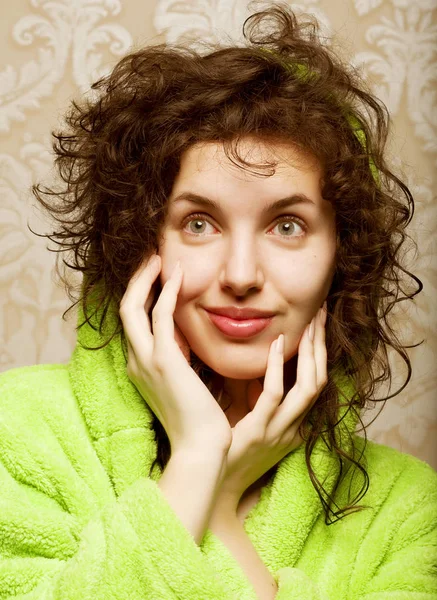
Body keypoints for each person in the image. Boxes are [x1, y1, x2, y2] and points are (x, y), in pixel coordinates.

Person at [0, 3, 436, 599]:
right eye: (199, 223)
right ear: (140, 239)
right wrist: (199, 455)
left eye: (287, 226)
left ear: (344, 253)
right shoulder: (20, 433)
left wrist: (222, 505)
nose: (240, 274)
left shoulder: (406, 509)